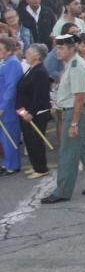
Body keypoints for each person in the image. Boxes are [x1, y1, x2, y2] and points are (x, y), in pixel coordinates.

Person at [41, 34, 85, 203]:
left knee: (68, 153)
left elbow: (79, 97)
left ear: (72, 48)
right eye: (57, 47)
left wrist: (73, 123)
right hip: (74, 111)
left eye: (62, 48)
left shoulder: (76, 67)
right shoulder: (72, 64)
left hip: (74, 112)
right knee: (84, 150)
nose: (58, 51)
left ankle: (62, 191)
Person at [16, 43, 53, 178]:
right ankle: (36, 165)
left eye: (29, 53)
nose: (26, 54)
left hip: (36, 113)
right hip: (27, 111)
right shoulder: (31, 69)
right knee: (29, 140)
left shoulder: (40, 72)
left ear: (37, 56)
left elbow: (39, 94)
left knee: (36, 140)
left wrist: (31, 112)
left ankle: (41, 168)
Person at [0, 36, 23, 175]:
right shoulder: (5, 62)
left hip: (7, 106)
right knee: (4, 136)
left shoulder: (12, 63)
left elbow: (11, 86)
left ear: (9, 51)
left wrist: (2, 107)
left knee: (9, 135)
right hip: (4, 104)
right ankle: (8, 162)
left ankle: (13, 164)